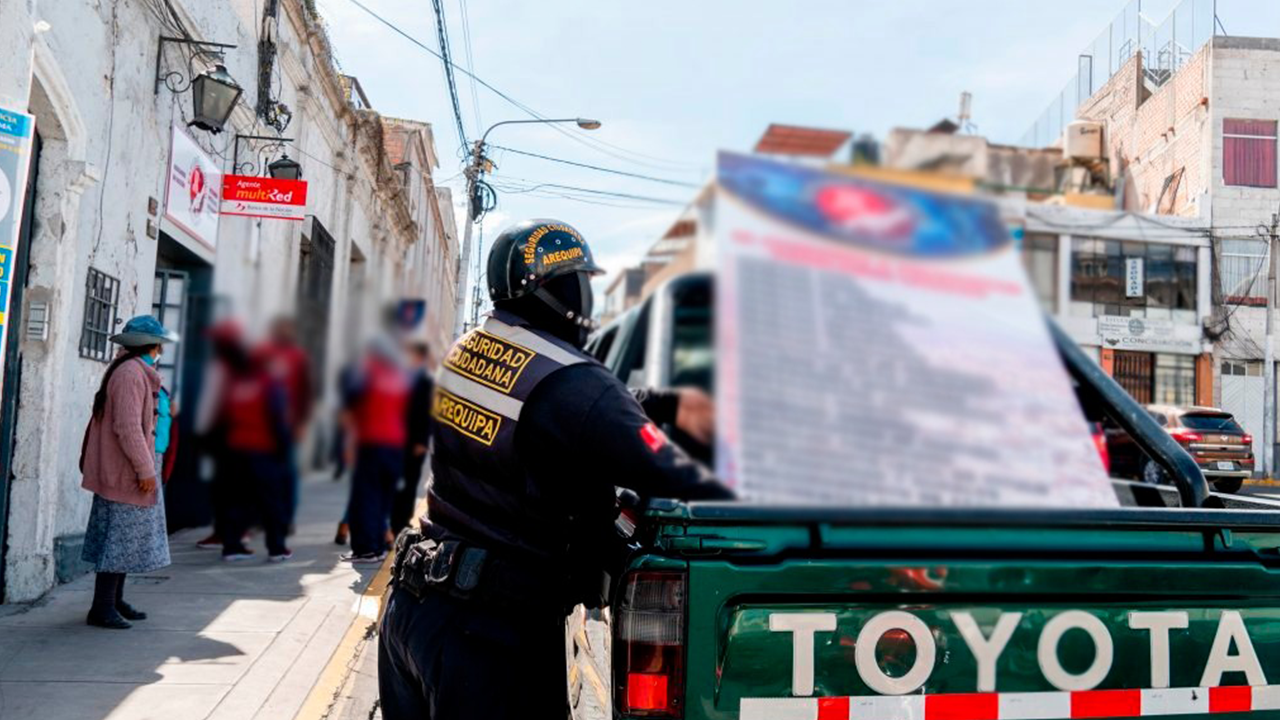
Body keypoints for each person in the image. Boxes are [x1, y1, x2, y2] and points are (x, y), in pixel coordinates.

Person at [377, 220, 733, 719]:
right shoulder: (578, 382)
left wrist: (659, 403)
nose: (585, 297)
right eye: (580, 282)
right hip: (491, 640)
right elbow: (673, 473)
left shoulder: (469, 351)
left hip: (414, 611)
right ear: (556, 289)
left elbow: (555, 414)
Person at [79, 315, 180, 629]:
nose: (161, 348)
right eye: (159, 343)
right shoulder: (130, 374)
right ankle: (102, 607)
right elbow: (127, 428)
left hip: (128, 471)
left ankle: (114, 601)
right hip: (125, 472)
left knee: (122, 541)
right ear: (151, 345)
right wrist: (145, 469)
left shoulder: (133, 370)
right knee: (117, 541)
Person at [213, 332, 294, 562]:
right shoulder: (270, 384)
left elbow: (224, 417)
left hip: (236, 450)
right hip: (263, 450)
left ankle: (232, 546)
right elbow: (278, 418)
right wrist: (284, 449)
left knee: (237, 499)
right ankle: (276, 548)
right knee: (271, 501)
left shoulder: (236, 384)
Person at [339, 336, 411, 564]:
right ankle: (378, 547)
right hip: (395, 446)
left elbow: (350, 409)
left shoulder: (367, 372)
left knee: (365, 498)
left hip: (370, 442)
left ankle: (365, 549)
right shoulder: (398, 377)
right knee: (383, 499)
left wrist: (348, 443)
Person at [392, 342, 433, 533]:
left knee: (410, 482)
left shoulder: (426, 382)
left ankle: (402, 519)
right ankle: (394, 519)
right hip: (397, 439)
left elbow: (429, 414)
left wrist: (422, 441)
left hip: (415, 442)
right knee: (397, 481)